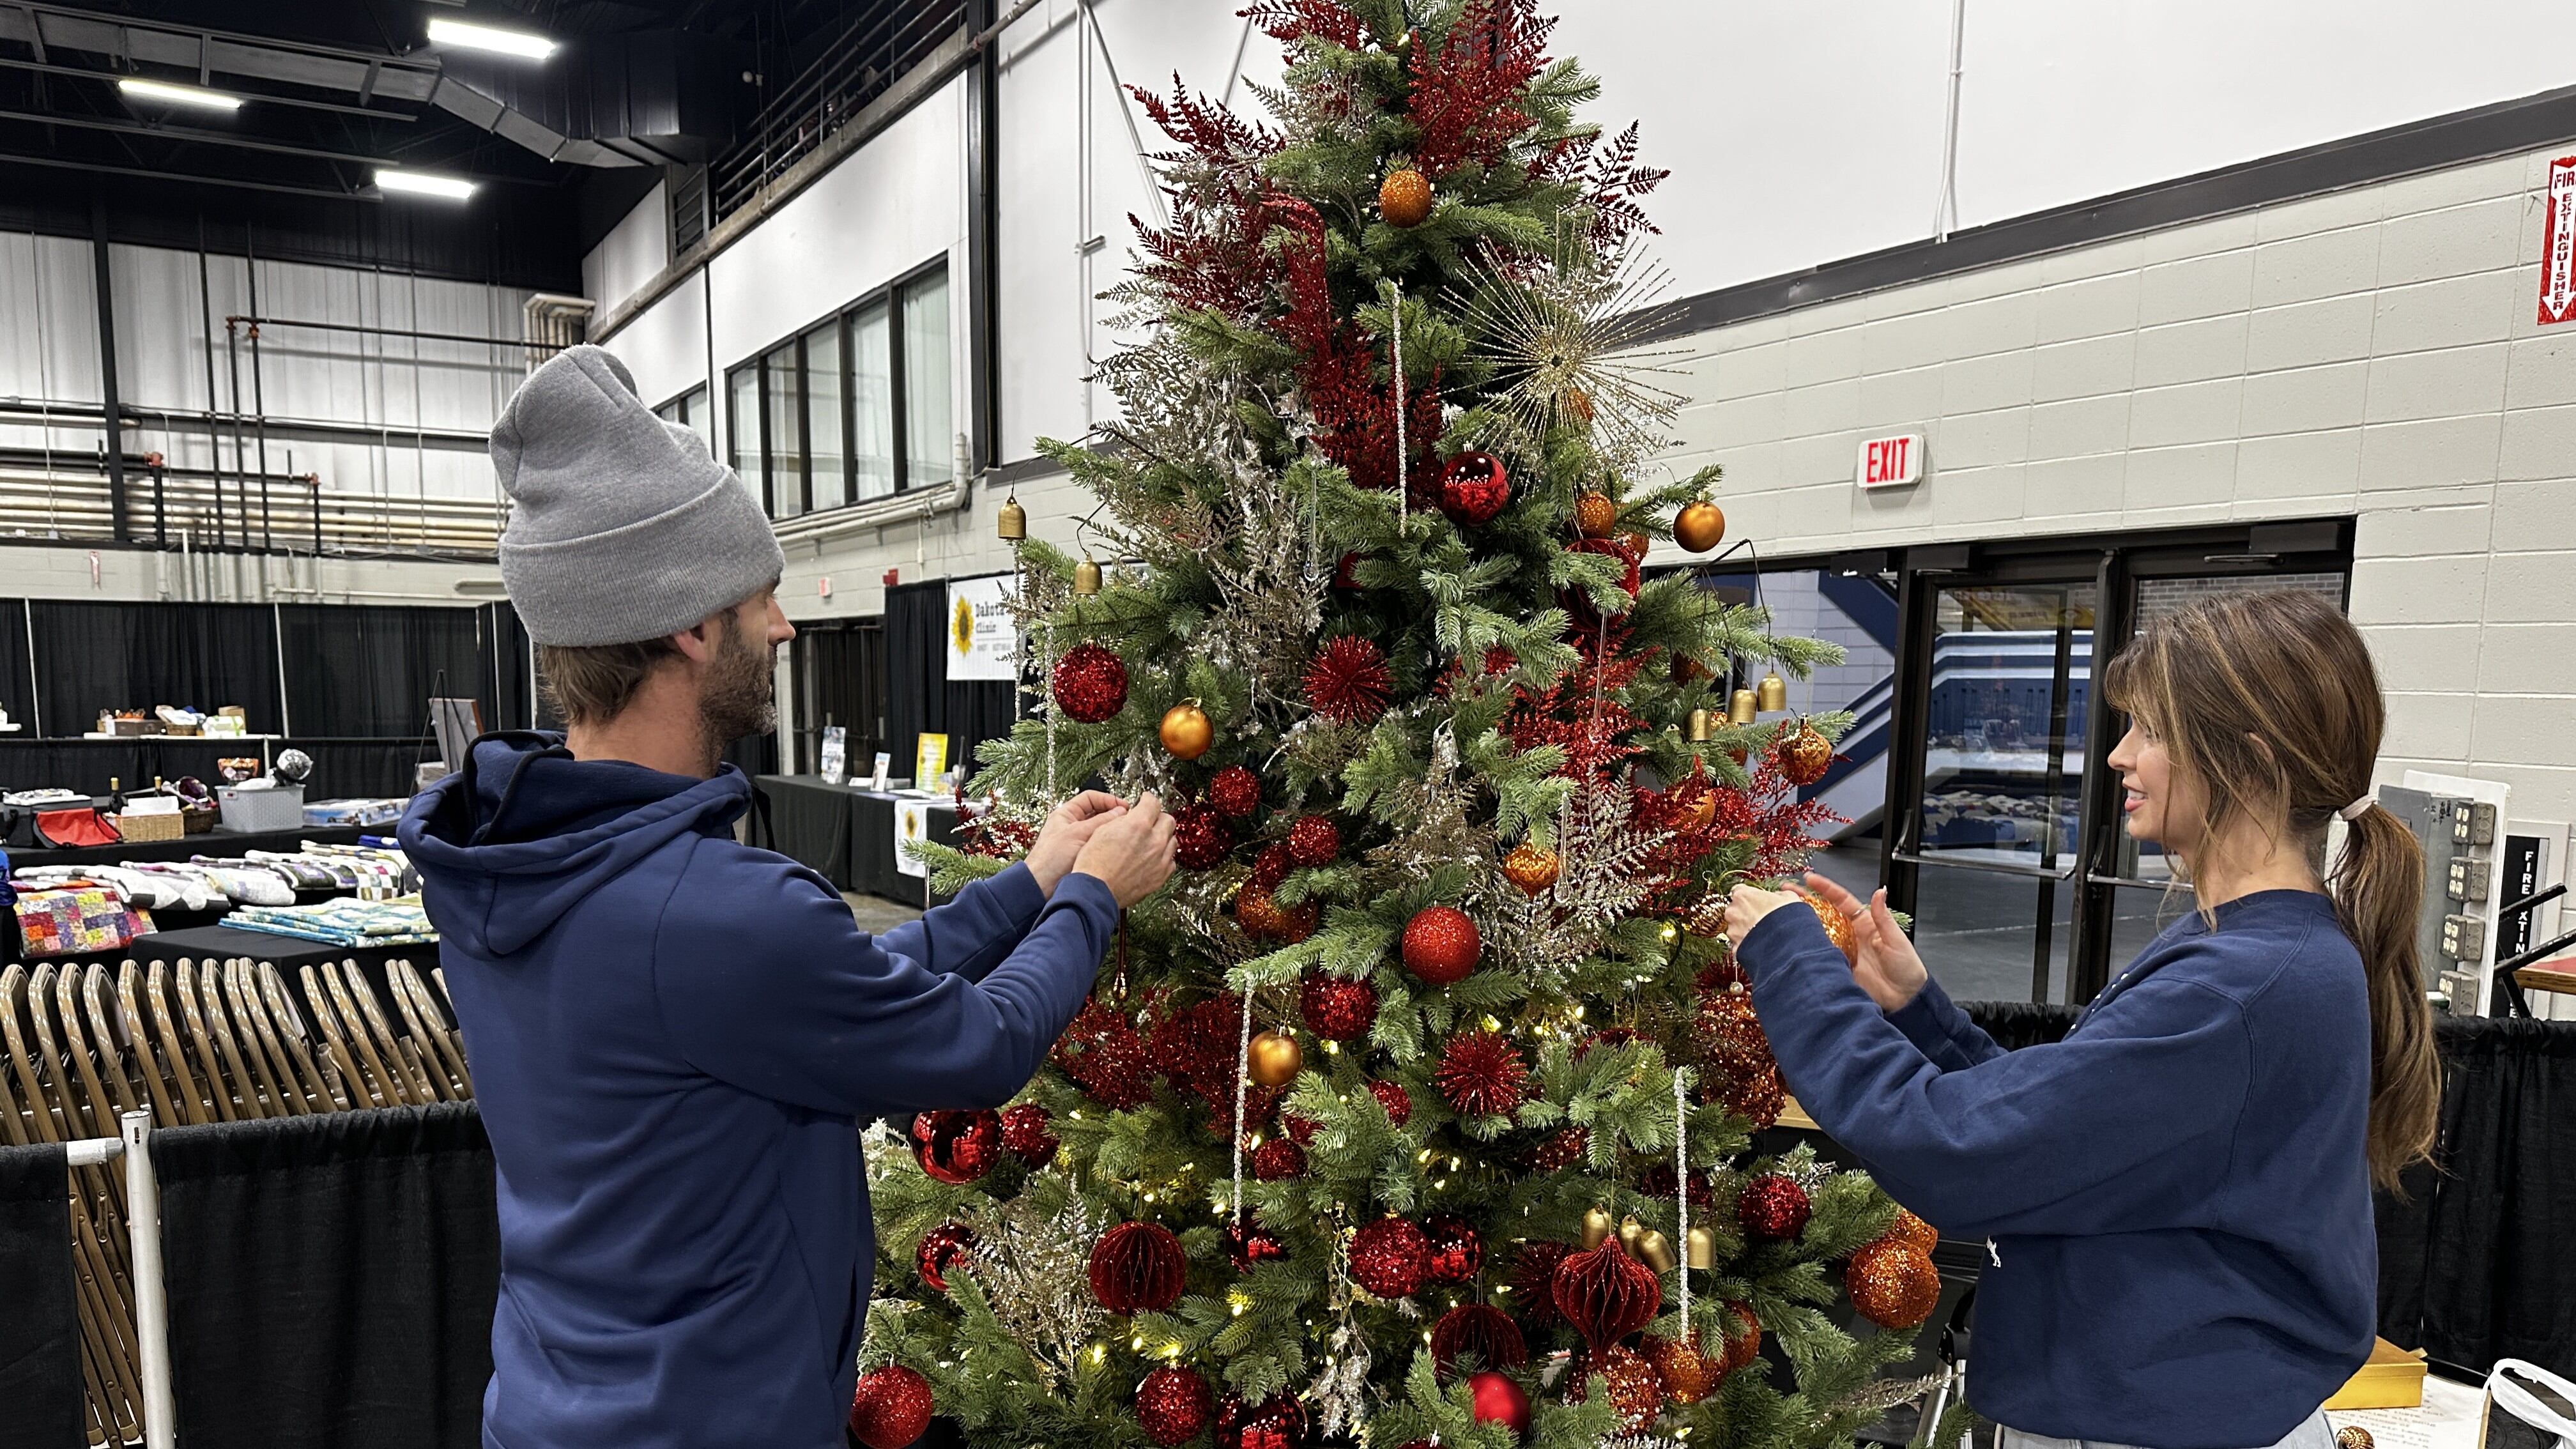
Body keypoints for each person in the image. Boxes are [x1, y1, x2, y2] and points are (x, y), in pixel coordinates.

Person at [399, 345, 1177, 1449]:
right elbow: (977, 1045)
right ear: (688, 624)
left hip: (554, 1405)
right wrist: (1093, 898)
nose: (785, 628)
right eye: (761, 596)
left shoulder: (515, 855)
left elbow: (840, 989)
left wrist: (1032, 878)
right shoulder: (702, 908)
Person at [1722, 588, 2438, 1449]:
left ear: (2249, 768)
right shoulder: (2267, 953)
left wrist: (1791, 958)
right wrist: (1919, 1015)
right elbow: (2072, 1139)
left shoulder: (2240, 989)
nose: (2121, 756)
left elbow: (1959, 1153)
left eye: (2153, 731)